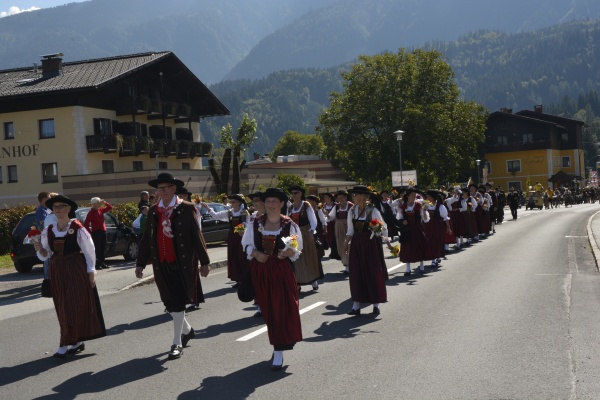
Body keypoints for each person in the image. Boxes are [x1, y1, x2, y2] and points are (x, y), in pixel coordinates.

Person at [135, 172, 211, 360]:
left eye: (166, 188)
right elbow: (147, 238)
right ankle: (188, 330)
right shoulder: (153, 210)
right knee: (169, 302)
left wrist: (205, 261)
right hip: (161, 263)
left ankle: (176, 342)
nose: (163, 191)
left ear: (174, 189)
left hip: (182, 262)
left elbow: (197, 235)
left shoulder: (186, 208)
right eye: (160, 188)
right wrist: (140, 263)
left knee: (177, 302)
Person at [34, 195, 106, 359]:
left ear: (68, 209)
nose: (58, 209)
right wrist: (39, 249)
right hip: (57, 270)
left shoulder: (78, 227)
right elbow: (47, 254)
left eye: (61, 206)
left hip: (75, 269)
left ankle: (65, 343)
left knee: (73, 305)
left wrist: (91, 272)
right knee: (62, 306)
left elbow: (89, 252)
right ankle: (75, 342)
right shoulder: (49, 230)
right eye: (55, 207)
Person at [241, 187, 303, 371]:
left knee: (283, 308)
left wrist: (288, 252)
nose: (270, 205)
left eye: (275, 201)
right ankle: (279, 345)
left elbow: (296, 248)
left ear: (282, 204)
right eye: (267, 201)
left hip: (283, 271)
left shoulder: (289, 225)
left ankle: (279, 350)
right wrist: (256, 253)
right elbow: (245, 244)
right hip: (262, 271)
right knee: (269, 310)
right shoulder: (255, 223)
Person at [343, 185, 388, 316]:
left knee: (372, 272)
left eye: (355, 195)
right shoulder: (351, 211)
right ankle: (356, 305)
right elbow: (350, 231)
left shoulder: (372, 210)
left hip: (370, 244)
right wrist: (345, 245)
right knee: (356, 273)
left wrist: (378, 233)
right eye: (353, 195)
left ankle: (376, 304)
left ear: (363, 196)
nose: (354, 197)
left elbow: (383, 227)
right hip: (357, 244)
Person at [200, 194, 249, 288]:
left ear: (239, 203)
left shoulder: (244, 212)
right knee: (233, 257)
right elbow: (216, 216)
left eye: (234, 202)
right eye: (231, 202)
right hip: (232, 237)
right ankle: (238, 279)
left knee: (242, 257)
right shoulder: (229, 212)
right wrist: (207, 208)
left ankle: (245, 278)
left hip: (242, 237)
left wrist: (240, 229)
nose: (232, 203)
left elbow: (247, 223)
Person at [287, 185, 323, 290]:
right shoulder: (290, 208)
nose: (294, 195)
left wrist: (311, 231)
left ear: (301, 194)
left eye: (296, 193)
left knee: (309, 256)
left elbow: (313, 220)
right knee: (296, 258)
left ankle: (313, 280)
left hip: (306, 233)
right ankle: (298, 281)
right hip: (294, 235)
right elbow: (287, 222)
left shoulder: (306, 205)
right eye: (292, 193)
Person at [397, 188, 430, 275]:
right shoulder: (402, 207)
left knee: (419, 246)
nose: (413, 197)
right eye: (412, 195)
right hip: (407, 230)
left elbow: (425, 219)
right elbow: (399, 218)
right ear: (407, 196)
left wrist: (425, 211)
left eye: (415, 196)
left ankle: (422, 266)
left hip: (417, 229)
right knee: (408, 248)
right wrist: (402, 221)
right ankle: (408, 269)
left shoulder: (419, 205)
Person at [327, 190, 354, 274]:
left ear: (346, 197)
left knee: (349, 245)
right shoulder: (337, 207)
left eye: (342, 197)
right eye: (339, 198)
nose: (341, 199)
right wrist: (326, 214)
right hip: (339, 228)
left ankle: (351, 264)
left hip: (349, 227)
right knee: (341, 245)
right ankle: (346, 265)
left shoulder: (351, 206)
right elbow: (331, 217)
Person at [83, 197, 112, 270]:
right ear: (93, 204)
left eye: (98, 203)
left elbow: (110, 207)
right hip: (96, 232)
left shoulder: (100, 210)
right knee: (97, 249)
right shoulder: (91, 212)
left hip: (103, 231)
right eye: (97, 204)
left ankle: (103, 263)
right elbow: (86, 224)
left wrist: (104, 202)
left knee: (103, 248)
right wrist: (89, 233)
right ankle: (97, 264)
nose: (98, 205)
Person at [321, 192, 338, 259]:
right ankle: (332, 251)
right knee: (329, 238)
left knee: (335, 237)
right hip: (327, 223)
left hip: (334, 223)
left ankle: (335, 252)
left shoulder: (335, 205)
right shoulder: (323, 206)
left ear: (330, 197)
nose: (325, 198)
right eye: (324, 197)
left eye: (326, 197)